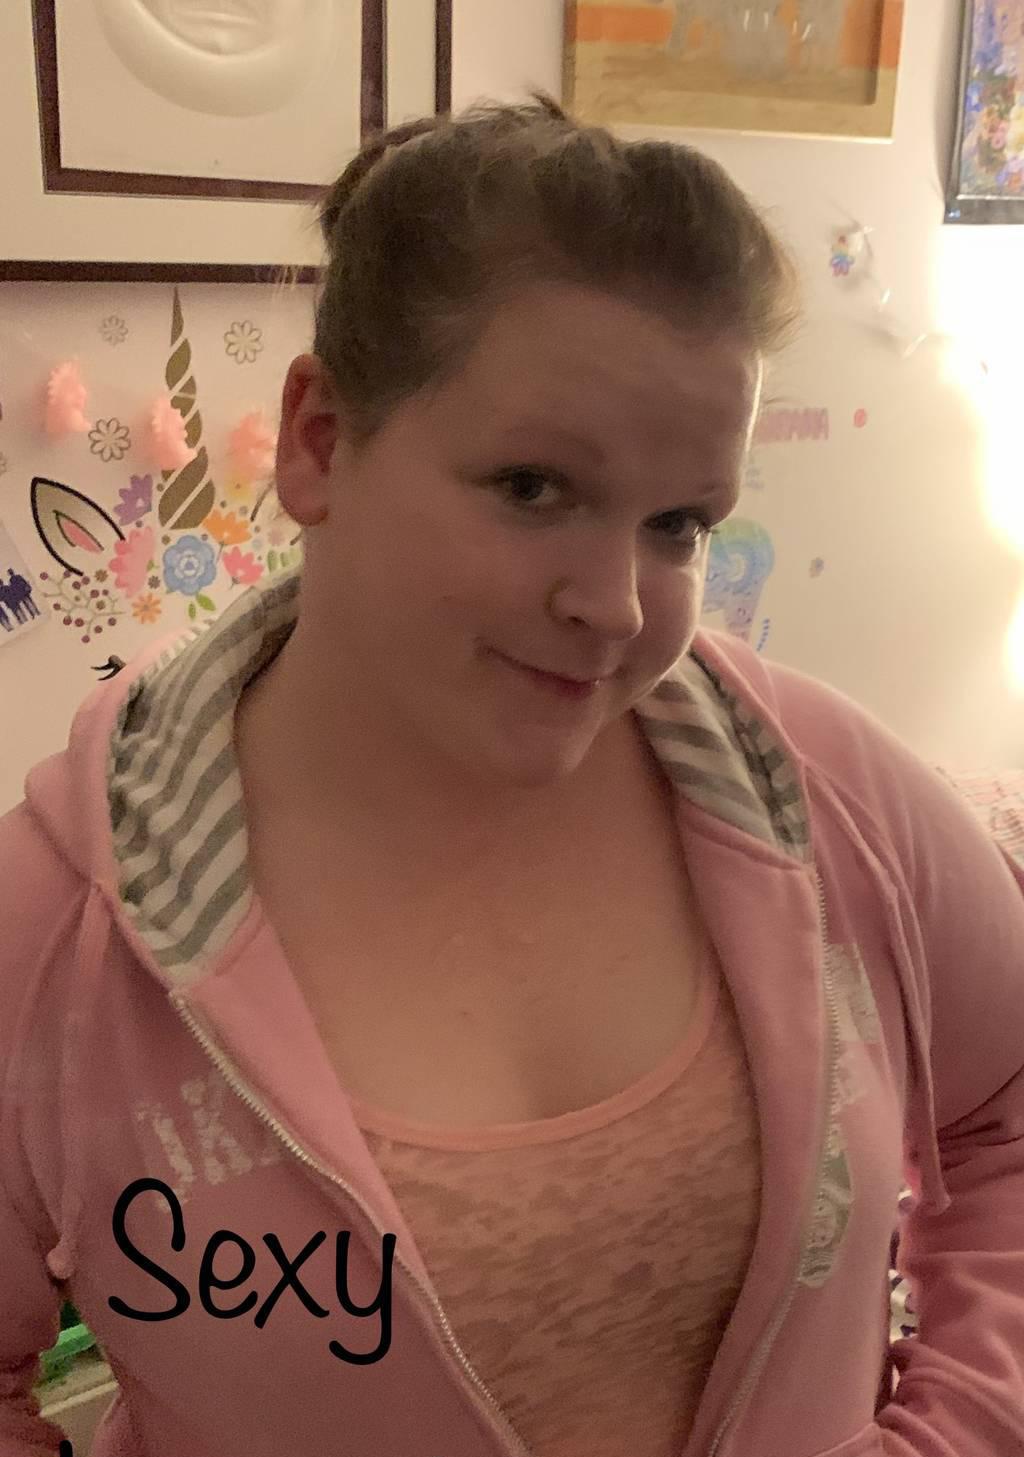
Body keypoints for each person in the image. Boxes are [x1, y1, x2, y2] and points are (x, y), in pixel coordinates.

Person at [2, 93, 1023, 1457]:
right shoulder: (60, 929)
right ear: (318, 439)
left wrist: (960, 1428)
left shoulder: (828, 794)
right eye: (534, 487)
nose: (616, 604)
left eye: (679, 523)